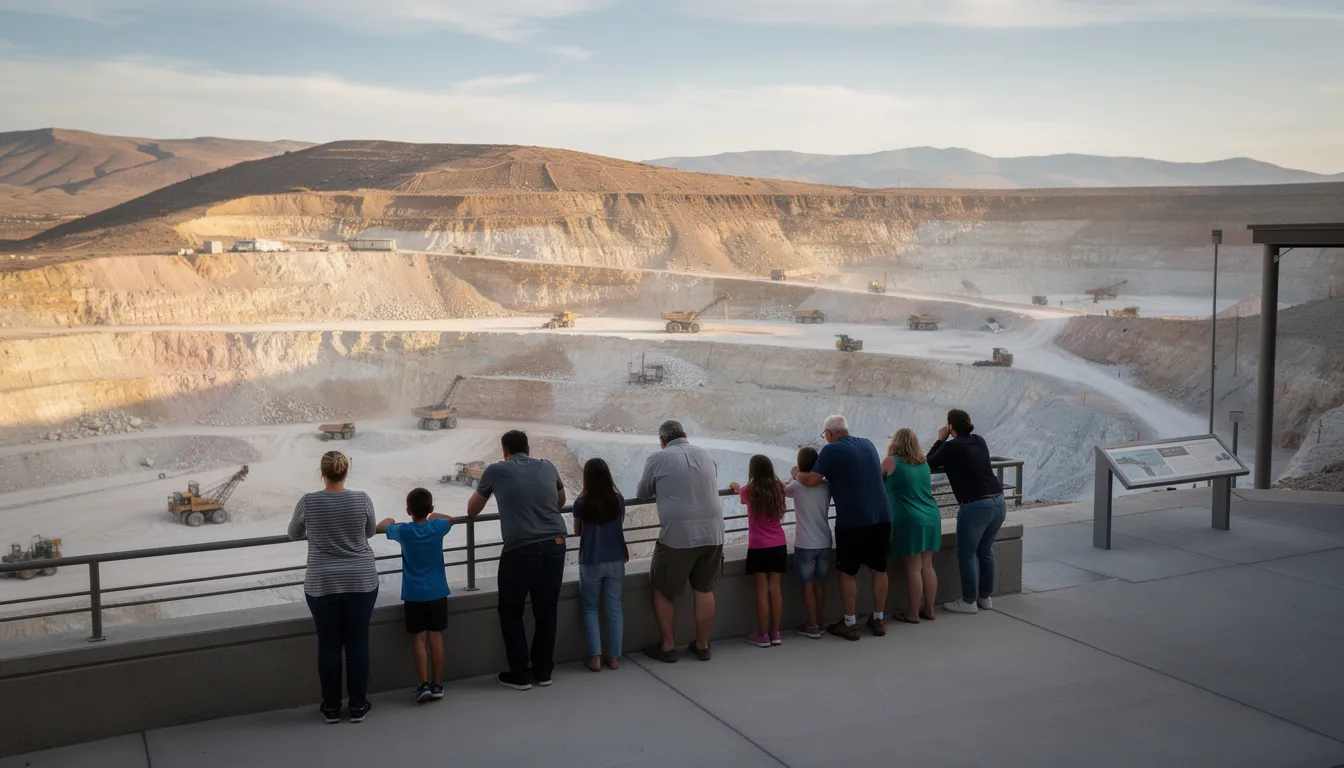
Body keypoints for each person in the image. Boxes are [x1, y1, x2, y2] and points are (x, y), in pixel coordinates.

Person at [467, 430, 568, 690]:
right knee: (546, 611)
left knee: (511, 611)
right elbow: (561, 501)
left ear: (505, 452)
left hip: (520, 549)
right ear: (528, 449)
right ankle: (543, 671)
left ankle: (520, 674)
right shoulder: (548, 466)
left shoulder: (496, 471)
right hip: (556, 545)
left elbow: (472, 510)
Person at [288, 451, 378, 724]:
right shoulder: (362, 499)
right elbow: (370, 531)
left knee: (328, 645)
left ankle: (330, 708)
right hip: (360, 580)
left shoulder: (308, 501)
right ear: (346, 472)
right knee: (357, 643)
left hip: (322, 582)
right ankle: (358, 706)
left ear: (322, 473)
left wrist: (318, 531)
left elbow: (293, 533)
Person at [795, 415, 890, 641]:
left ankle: (849, 623)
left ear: (829, 434)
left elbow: (813, 480)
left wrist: (796, 474)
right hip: (882, 515)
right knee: (879, 569)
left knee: (847, 572)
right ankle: (878, 619)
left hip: (853, 519)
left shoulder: (830, 450)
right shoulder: (868, 444)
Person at [637, 420, 723, 663]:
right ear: (685, 434)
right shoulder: (705, 454)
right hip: (713, 532)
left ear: (662, 441)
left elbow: (643, 492)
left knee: (662, 588)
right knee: (704, 588)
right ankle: (702, 645)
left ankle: (668, 647)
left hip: (678, 536)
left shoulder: (658, 458)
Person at [376, 487, 454, 703]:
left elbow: (380, 526)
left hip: (414, 594)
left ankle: (423, 685)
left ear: (408, 510)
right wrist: (433, 514)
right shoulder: (437, 527)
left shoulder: (404, 531)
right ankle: (438, 684)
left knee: (419, 639)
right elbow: (450, 519)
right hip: (437, 591)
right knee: (436, 637)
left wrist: (391, 520)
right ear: (430, 508)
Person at [927, 409, 1005, 615]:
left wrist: (940, 440)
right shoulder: (979, 440)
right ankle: (985, 598)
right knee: (986, 551)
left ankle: (969, 601)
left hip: (976, 505)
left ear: (950, 427)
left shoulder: (951, 447)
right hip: (998, 501)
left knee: (967, 555)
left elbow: (929, 462)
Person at [572, 458, 628, 672]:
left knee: (590, 608)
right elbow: (619, 524)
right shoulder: (618, 500)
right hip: (616, 559)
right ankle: (614, 658)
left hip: (591, 560)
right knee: (614, 608)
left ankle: (595, 658)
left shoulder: (581, 503)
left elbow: (577, 531)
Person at [882, 428, 941, 624]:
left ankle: (913, 614)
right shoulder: (923, 462)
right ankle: (929, 610)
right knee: (928, 565)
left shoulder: (891, 461)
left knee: (913, 569)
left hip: (909, 518)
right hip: (931, 516)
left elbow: (875, 479)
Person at [729, 455, 787, 648]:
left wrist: (736, 487)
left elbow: (741, 493)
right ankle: (775, 633)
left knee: (761, 590)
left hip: (759, 546)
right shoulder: (779, 488)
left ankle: (762, 635)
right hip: (778, 543)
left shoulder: (749, 490)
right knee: (775, 589)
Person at [786, 446, 832, 639]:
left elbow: (783, 490)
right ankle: (819, 622)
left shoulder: (796, 486)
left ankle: (811, 626)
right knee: (820, 584)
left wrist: (794, 474)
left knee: (808, 585)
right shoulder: (826, 485)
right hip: (824, 540)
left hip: (805, 543)